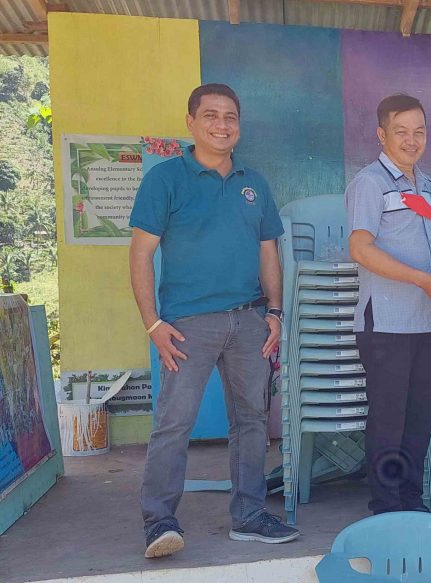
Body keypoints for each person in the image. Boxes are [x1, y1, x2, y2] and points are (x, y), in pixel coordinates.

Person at [128, 83, 299, 559]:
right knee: (174, 423)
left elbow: (270, 253)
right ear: (191, 121)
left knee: (251, 421)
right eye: (211, 116)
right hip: (186, 326)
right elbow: (141, 255)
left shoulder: (254, 183)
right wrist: (152, 324)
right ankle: (159, 521)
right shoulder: (165, 180)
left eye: (230, 117)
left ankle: (249, 515)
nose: (222, 125)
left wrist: (275, 312)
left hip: (249, 321)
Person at [346, 93, 431, 515]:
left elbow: (428, 244)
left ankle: (412, 501)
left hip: (429, 320)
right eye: (401, 131)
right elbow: (360, 248)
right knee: (389, 419)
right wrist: (420, 278)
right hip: (388, 322)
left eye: (419, 131)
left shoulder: (429, 187)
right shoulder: (369, 183)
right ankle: (387, 506)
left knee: (418, 418)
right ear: (382, 134)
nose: (411, 140)